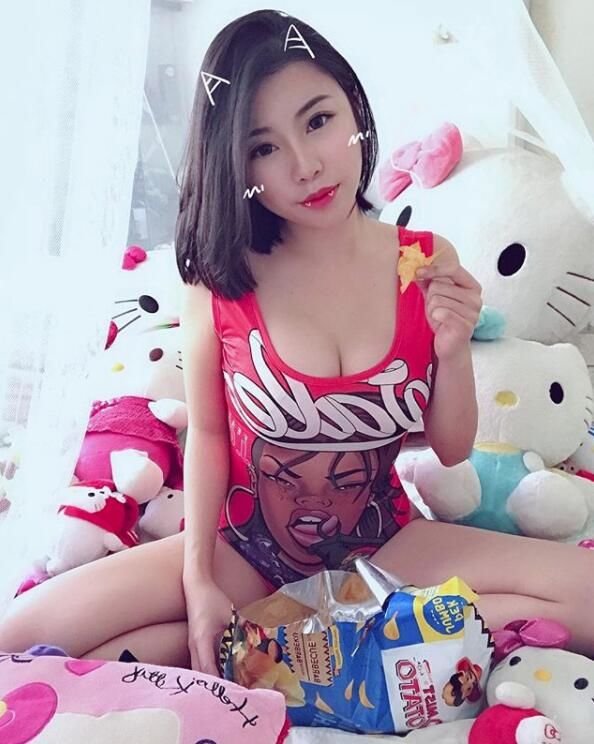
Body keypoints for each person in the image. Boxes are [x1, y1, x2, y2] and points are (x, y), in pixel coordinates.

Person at [1, 9, 594, 676]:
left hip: (385, 545)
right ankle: (333, 640)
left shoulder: (423, 260)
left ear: (354, 111)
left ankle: (303, 642)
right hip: (245, 548)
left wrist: (453, 349)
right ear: (236, 163)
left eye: (318, 121)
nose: (305, 166)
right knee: (18, 636)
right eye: (264, 148)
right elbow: (209, 436)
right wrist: (199, 582)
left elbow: (452, 448)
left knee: (587, 593)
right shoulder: (220, 277)